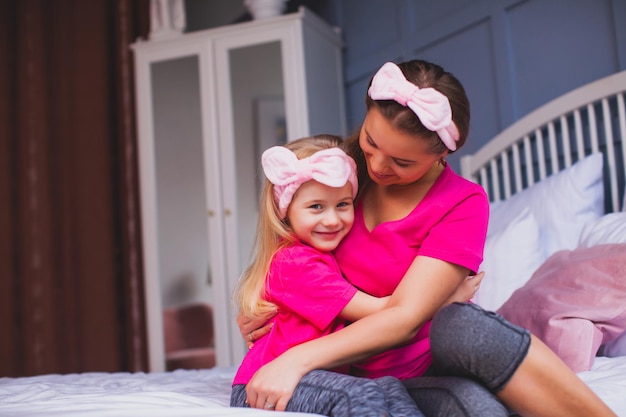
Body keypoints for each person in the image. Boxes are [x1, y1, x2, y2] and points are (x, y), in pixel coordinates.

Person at [238, 60, 618, 417]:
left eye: (402, 162)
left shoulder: (463, 202)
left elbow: (405, 320)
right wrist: (263, 308)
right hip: (342, 371)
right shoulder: (340, 172)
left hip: (414, 366)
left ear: (443, 152)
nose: (377, 166)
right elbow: (288, 248)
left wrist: (295, 360)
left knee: (464, 334)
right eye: (371, 141)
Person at [231, 134, 436, 416]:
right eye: (316, 207)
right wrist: (447, 294)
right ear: (285, 212)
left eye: (342, 204)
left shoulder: (325, 255)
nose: (332, 220)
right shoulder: (295, 263)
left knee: (390, 388)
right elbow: (385, 311)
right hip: (265, 384)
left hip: (315, 376)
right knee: (361, 394)